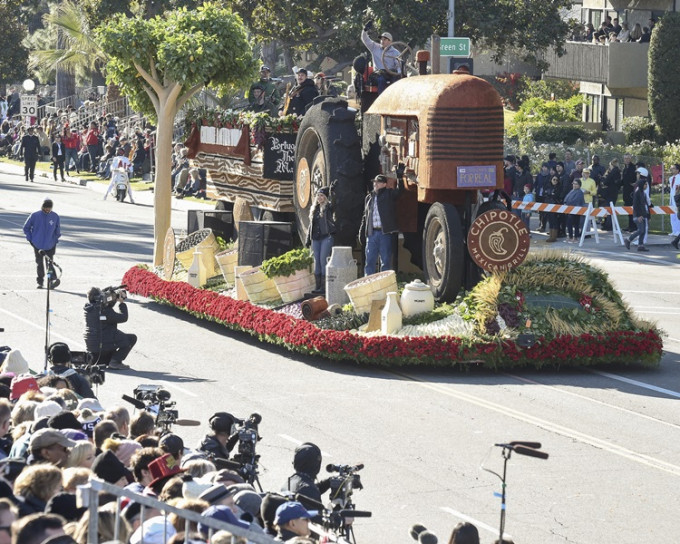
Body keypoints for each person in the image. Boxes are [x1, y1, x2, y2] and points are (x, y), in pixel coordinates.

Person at [83, 286, 137, 370]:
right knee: (131, 338)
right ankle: (114, 361)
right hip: (102, 342)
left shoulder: (89, 308)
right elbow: (123, 318)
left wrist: (112, 297)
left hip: (93, 348)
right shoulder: (104, 311)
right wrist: (121, 302)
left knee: (117, 337)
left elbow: (107, 306)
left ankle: (111, 360)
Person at [359, 174, 402, 275]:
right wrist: (362, 231)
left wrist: (400, 178)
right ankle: (368, 284)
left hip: (384, 233)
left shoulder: (389, 194)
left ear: (384, 184)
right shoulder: (369, 197)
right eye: (374, 182)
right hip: (372, 233)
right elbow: (365, 216)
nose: (375, 184)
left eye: (378, 182)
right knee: (369, 261)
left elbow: (399, 191)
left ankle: (383, 285)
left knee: (385, 262)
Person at [23, 198, 61, 289]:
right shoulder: (35, 215)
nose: (47, 210)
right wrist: (30, 239)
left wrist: (55, 239)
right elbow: (26, 228)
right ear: (42, 207)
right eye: (45, 208)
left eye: (49, 208)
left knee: (49, 264)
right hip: (37, 244)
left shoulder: (55, 216)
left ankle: (51, 280)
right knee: (39, 263)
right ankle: (40, 282)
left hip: (50, 245)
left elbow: (57, 230)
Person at [306, 187, 335, 293]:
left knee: (323, 261)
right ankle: (317, 286)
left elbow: (333, 204)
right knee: (316, 262)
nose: (319, 197)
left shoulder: (328, 207)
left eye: (322, 195)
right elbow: (311, 226)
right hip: (315, 238)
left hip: (326, 237)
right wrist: (307, 240)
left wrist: (332, 193)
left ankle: (324, 288)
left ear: (326, 197)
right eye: (318, 195)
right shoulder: (314, 208)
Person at [283, 442, 330, 507]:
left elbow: (303, 491)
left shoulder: (289, 482)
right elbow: (319, 515)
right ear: (317, 466)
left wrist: (328, 482)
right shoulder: (309, 490)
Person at [361, 21, 401, 93]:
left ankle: (394, 97)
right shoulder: (375, 47)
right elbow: (365, 39)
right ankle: (381, 101)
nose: (382, 41)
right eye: (381, 39)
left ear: (390, 42)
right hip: (378, 73)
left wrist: (399, 73)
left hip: (390, 73)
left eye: (385, 39)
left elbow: (398, 65)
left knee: (396, 78)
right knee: (381, 79)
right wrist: (365, 30)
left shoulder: (395, 53)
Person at [625, 173, 651, 252]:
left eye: (646, 184)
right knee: (641, 230)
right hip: (638, 215)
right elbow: (636, 205)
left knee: (643, 231)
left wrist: (648, 215)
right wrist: (639, 215)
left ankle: (640, 245)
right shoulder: (637, 193)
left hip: (644, 214)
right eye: (645, 184)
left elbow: (646, 205)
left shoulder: (643, 193)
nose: (646, 186)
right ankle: (629, 239)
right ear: (641, 184)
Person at [599, 158, 621, 230]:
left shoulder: (613, 172)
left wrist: (603, 180)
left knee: (608, 208)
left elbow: (606, 181)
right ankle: (608, 223)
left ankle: (609, 225)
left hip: (610, 192)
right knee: (610, 208)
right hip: (614, 192)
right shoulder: (618, 171)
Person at [543, 175, 562, 243]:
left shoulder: (559, 188)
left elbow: (557, 196)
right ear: (551, 180)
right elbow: (544, 194)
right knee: (550, 220)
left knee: (555, 221)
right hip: (548, 205)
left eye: (556, 180)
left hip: (555, 205)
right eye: (554, 179)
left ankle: (554, 237)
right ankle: (551, 235)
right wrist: (551, 195)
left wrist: (551, 195)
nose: (555, 181)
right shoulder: (548, 186)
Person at [621, 153, 637, 231]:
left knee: (632, 209)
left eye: (628, 158)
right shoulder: (624, 169)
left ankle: (634, 226)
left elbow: (636, 179)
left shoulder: (633, 168)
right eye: (625, 158)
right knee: (628, 209)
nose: (627, 160)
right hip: (626, 191)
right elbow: (624, 181)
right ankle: (630, 225)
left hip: (632, 191)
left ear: (631, 159)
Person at [668, 163, 680, 236]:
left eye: (673, 168)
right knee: (672, 214)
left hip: (678, 198)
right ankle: (674, 230)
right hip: (672, 198)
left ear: (677, 170)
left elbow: (678, 188)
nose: (671, 170)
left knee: (677, 214)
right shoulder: (671, 178)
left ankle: (678, 231)